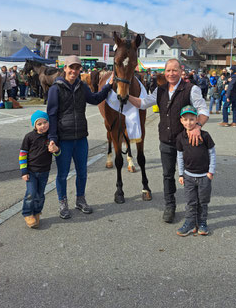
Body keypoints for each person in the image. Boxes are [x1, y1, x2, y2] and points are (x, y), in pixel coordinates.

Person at [128, 58, 209, 223]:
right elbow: (143, 104)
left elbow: (203, 110)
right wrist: (125, 96)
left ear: (181, 71)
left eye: (174, 70)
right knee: (167, 175)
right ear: (164, 73)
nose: (171, 74)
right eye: (168, 71)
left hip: (187, 142)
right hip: (165, 140)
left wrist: (198, 126)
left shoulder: (191, 89)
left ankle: (194, 208)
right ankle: (170, 206)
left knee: (191, 176)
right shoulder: (160, 90)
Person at [47, 55, 114, 219]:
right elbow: (52, 115)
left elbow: (95, 98)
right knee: (62, 174)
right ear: (65, 68)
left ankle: (80, 199)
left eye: (77, 68)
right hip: (64, 139)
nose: (74, 71)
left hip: (81, 138)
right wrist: (52, 139)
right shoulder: (55, 89)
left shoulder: (82, 86)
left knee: (82, 172)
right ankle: (63, 202)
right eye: (71, 67)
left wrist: (108, 86)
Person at [176, 105, 216, 236]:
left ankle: (202, 222)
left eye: (192, 119)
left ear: (197, 119)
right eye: (186, 119)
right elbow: (180, 156)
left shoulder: (205, 136)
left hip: (204, 176)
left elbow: (212, 153)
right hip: (188, 176)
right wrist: (181, 174)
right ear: (181, 120)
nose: (189, 122)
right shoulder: (180, 137)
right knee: (191, 202)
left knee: (203, 202)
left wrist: (210, 172)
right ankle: (190, 223)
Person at [19, 110, 60, 228]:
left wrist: (56, 149)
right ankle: (27, 213)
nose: (43, 126)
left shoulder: (51, 137)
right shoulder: (29, 137)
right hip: (31, 172)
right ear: (34, 125)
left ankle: (37, 212)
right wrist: (24, 171)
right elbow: (22, 154)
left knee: (40, 194)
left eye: (45, 122)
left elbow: (57, 154)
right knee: (31, 193)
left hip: (44, 171)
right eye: (39, 124)